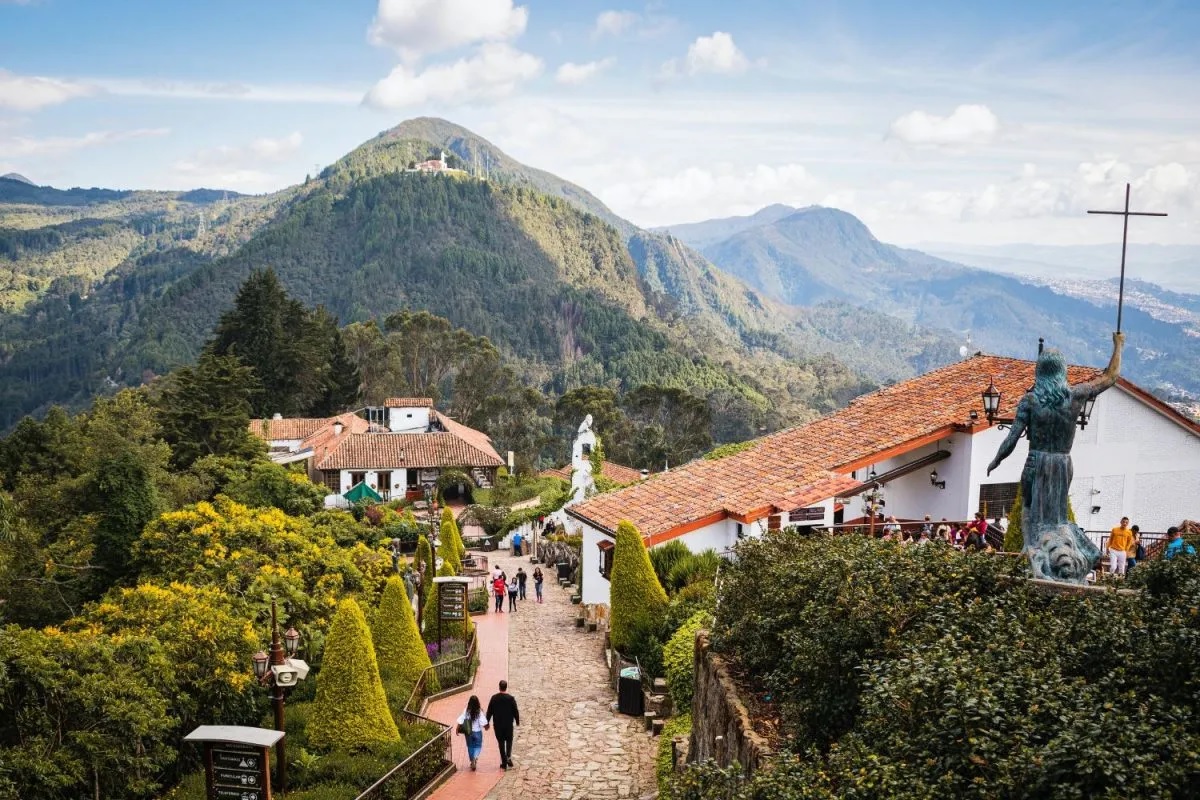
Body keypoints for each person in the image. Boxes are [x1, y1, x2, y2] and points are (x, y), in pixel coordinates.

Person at [988, 332, 1124, 581]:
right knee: (1058, 516)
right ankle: (1057, 554)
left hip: (1036, 461)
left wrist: (996, 460)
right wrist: (1119, 345)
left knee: (1029, 509)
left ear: (1039, 373)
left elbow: (1011, 438)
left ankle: (1033, 551)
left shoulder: (1030, 400)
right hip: (1063, 463)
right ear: (1063, 371)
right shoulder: (1075, 395)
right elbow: (1110, 377)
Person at [486, 679, 520, 769]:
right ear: (506, 687)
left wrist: (487, 722)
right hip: (508, 724)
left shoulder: (494, 698)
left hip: (498, 725)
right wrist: (517, 721)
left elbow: (489, 711)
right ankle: (508, 756)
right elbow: (515, 711)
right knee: (509, 741)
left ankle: (504, 761)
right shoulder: (511, 698)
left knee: (500, 743)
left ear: (499, 687)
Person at [456, 694, 488, 771]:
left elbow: (461, 720)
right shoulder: (479, 711)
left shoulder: (466, 710)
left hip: (469, 732)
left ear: (469, 702)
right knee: (478, 746)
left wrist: (457, 729)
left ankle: (472, 759)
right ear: (477, 702)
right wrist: (486, 726)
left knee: (470, 746)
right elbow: (483, 722)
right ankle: (475, 757)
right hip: (477, 732)